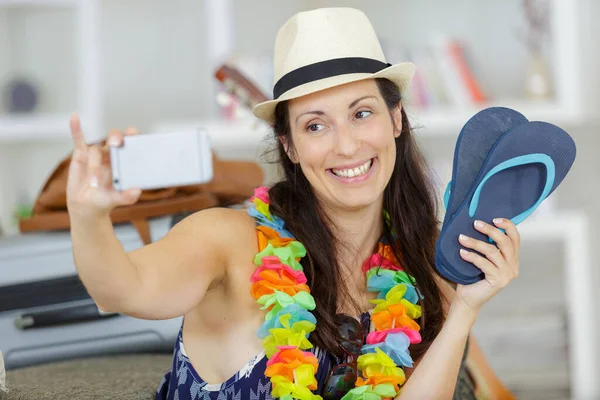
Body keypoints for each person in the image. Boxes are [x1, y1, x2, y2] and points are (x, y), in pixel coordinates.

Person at [66, 7, 520, 400]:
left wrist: (465, 310)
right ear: (290, 146)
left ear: (396, 118)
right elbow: (123, 288)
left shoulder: (424, 258)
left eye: (362, 113)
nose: (346, 146)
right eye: (315, 126)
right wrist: (89, 217)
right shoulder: (227, 240)